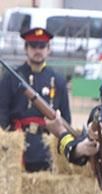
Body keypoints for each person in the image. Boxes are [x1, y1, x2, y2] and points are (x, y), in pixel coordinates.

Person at [0, 28, 71, 172]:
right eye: (33, 46)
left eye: (42, 46)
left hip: (47, 145)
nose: (37, 50)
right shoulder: (11, 77)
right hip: (19, 143)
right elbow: (3, 112)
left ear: (48, 49)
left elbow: (65, 118)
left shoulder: (58, 80)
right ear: (26, 48)